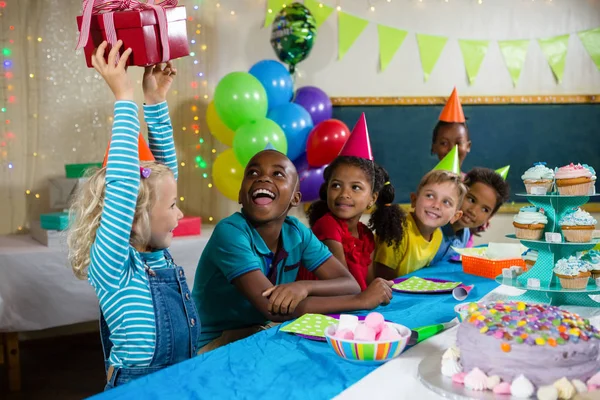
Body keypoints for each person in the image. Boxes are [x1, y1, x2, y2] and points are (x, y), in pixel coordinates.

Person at [67, 41, 198, 389]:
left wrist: (155, 101)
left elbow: (162, 173)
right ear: (134, 215)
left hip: (181, 381)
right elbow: (126, 186)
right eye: (172, 207)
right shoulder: (112, 264)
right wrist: (123, 95)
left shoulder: (156, 255)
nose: (179, 213)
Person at [192, 149, 394, 354]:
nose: (263, 178)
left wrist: (303, 287)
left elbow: (348, 284)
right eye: (253, 173)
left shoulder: (296, 232)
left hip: (258, 331)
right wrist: (361, 301)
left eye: (277, 174)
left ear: (295, 198)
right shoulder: (230, 232)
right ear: (240, 195)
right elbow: (272, 308)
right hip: (213, 342)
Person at [297, 114, 406, 290]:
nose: (344, 194)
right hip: (326, 310)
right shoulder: (328, 226)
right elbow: (344, 286)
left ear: (372, 198)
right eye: (336, 185)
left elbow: (368, 284)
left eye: (355, 187)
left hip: (355, 306)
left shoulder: (366, 235)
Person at [373, 169, 467, 278]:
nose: (436, 205)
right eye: (430, 196)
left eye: (446, 202)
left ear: (455, 216)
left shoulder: (438, 236)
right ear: (414, 200)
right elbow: (382, 278)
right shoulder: (397, 230)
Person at [432, 167, 510, 263]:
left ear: (489, 217)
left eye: (485, 209)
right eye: (471, 200)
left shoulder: (465, 234)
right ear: (459, 192)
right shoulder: (432, 226)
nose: (473, 211)